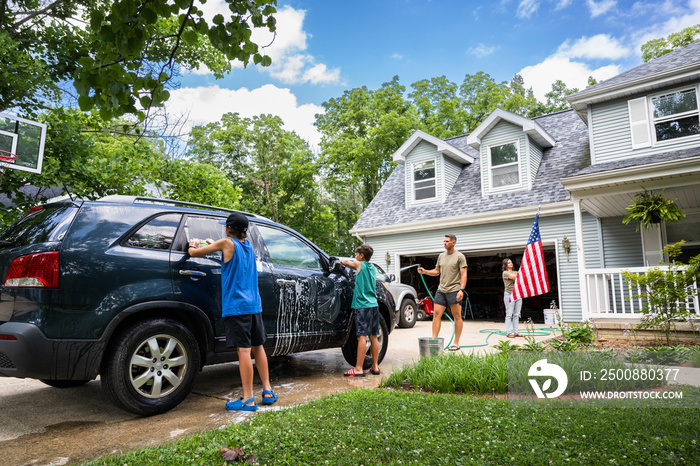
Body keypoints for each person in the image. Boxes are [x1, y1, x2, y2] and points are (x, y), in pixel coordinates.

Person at [188, 212, 277, 411]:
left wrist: (193, 244)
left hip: (237, 307)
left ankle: (247, 399)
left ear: (229, 229)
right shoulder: (248, 246)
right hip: (254, 305)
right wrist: (215, 243)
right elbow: (227, 249)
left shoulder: (226, 244)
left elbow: (194, 253)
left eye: (225, 227)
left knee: (243, 351)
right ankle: (268, 391)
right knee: (258, 347)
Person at [417, 234, 467, 351]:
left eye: (447, 241)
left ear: (453, 242)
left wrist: (461, 290)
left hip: (454, 290)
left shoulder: (460, 256)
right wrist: (425, 272)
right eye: (444, 241)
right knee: (436, 314)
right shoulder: (441, 256)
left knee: (456, 316)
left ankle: (456, 342)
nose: (444, 243)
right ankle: (434, 341)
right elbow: (436, 271)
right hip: (441, 290)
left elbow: (464, 275)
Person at [339, 245, 381, 377]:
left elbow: (347, 263)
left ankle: (358, 368)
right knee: (373, 336)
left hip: (362, 305)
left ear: (361, 256)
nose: (355, 256)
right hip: (373, 304)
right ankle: (375, 367)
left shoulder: (359, 264)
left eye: (356, 253)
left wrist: (340, 260)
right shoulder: (372, 267)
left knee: (361, 336)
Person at [502, 258, 523, 338]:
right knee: (509, 314)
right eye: (509, 263)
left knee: (517, 314)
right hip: (509, 295)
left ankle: (516, 332)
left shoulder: (515, 272)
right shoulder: (505, 273)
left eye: (511, 262)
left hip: (518, 294)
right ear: (505, 265)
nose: (511, 264)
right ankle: (509, 332)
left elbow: (521, 277)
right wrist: (521, 274)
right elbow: (517, 277)